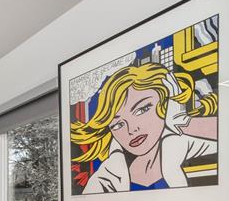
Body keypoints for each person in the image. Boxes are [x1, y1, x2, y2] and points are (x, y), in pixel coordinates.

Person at [71, 63, 217, 193]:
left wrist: (183, 122)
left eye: (142, 110)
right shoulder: (107, 176)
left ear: (165, 104)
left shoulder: (183, 145)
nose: (131, 130)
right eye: (118, 124)